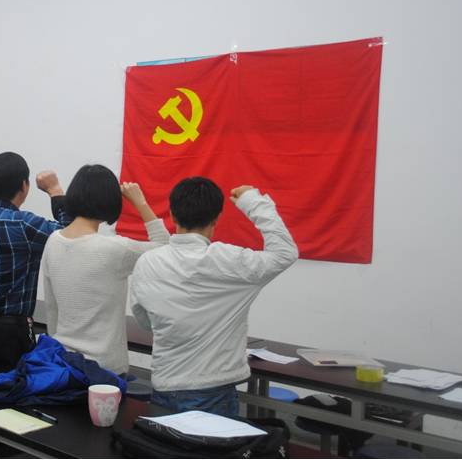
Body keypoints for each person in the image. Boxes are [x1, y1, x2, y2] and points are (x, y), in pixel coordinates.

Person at [129, 178, 298, 417]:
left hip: (164, 386)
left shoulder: (148, 261)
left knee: (164, 441)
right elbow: (285, 253)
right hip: (214, 392)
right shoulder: (231, 261)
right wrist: (253, 202)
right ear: (216, 219)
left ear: (173, 216)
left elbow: (146, 322)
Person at [40, 165, 169, 375]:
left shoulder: (53, 240)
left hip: (64, 363)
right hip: (106, 368)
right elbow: (164, 248)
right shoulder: (115, 249)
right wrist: (140, 202)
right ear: (110, 202)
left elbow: (52, 308)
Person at [0, 151, 69, 366]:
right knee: (12, 385)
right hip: (11, 334)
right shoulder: (23, 224)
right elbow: (72, 235)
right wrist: (55, 190)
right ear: (24, 185)